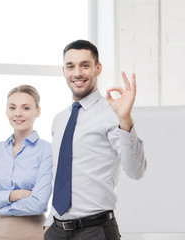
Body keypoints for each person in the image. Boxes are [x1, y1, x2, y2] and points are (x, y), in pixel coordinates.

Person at [44, 40, 147, 240]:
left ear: (97, 68)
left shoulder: (112, 113)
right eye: (70, 66)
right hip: (56, 231)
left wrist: (125, 119)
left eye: (85, 65)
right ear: (63, 70)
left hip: (95, 231)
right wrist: (50, 221)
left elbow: (136, 171)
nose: (77, 73)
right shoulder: (59, 119)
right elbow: (60, 175)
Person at [0, 85, 53, 240]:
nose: (18, 113)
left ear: (38, 111)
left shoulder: (46, 150)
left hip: (33, 232)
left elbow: (38, 203)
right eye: (12, 107)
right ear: (6, 111)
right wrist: (14, 195)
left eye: (26, 108)